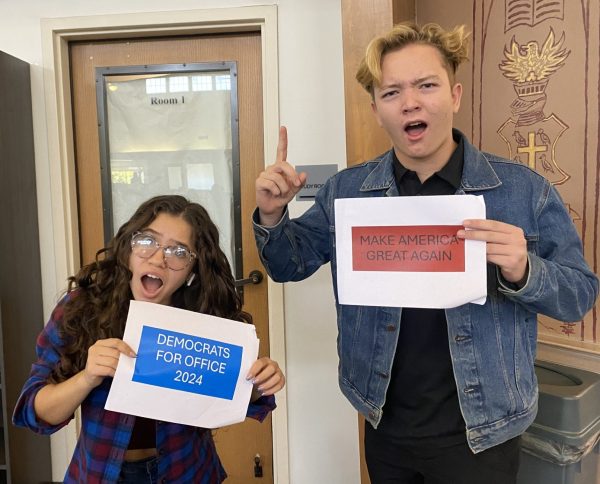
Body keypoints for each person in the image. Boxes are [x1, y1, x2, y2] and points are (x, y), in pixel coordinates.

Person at [253, 22, 598, 484]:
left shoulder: (522, 191)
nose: (410, 102)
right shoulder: (347, 192)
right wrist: (273, 216)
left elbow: (579, 295)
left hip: (485, 431)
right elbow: (287, 265)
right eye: (392, 92)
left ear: (454, 95)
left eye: (426, 85)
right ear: (376, 109)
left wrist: (524, 270)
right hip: (385, 423)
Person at [13, 195, 285, 483]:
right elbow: (35, 412)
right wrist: (87, 377)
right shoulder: (81, 309)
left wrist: (257, 383)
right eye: (147, 241)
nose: (158, 258)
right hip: (99, 473)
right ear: (128, 248)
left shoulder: (206, 322)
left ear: (193, 270)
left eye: (178, 251)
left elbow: (242, 397)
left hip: (187, 472)